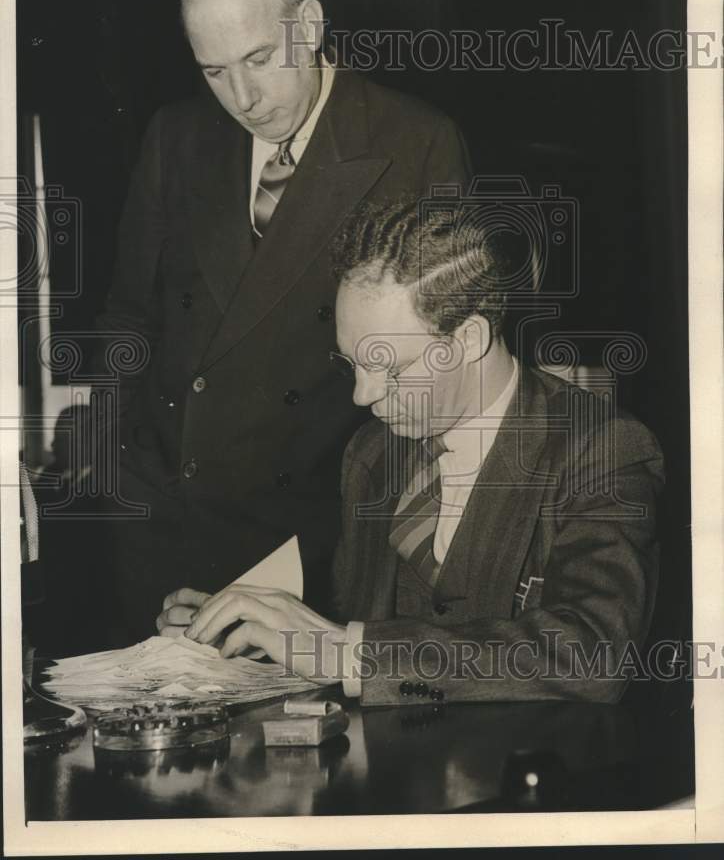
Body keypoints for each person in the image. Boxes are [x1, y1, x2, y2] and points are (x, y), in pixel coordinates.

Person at [94, 0, 471, 645]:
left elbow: (436, 379)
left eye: (261, 60)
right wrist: (124, 479)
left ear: (311, 24)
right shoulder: (175, 138)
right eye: (214, 71)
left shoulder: (414, 142)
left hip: (314, 552)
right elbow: (130, 319)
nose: (242, 97)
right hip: (163, 539)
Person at [160, 198, 664, 704]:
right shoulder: (372, 454)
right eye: (352, 363)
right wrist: (254, 633)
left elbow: (594, 658)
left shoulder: (602, 450)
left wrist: (347, 652)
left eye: (391, 369)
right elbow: (349, 626)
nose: (363, 395)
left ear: (468, 338)